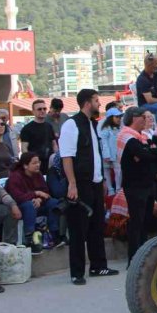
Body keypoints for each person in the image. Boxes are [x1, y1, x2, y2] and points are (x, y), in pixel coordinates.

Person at [58, 88, 119, 285]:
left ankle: (98, 266)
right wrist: (72, 184)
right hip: (79, 184)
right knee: (78, 229)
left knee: (97, 226)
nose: (99, 104)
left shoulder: (93, 124)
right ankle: (77, 272)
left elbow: (96, 155)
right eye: (96, 100)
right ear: (87, 103)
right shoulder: (71, 124)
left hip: (95, 183)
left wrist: (102, 181)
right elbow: (67, 156)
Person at [118, 107, 157, 265]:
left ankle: (143, 256)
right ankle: (134, 260)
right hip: (135, 187)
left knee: (145, 223)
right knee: (137, 223)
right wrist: (148, 152)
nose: (146, 120)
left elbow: (154, 153)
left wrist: (149, 152)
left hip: (147, 186)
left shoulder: (142, 137)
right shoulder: (127, 136)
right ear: (135, 118)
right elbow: (145, 155)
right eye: (144, 117)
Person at [20, 99, 59, 174]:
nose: (42, 111)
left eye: (44, 109)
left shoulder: (49, 126)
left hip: (50, 165)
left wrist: (57, 158)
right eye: (39, 109)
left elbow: (54, 144)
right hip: (35, 166)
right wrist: (30, 164)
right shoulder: (27, 128)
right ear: (33, 111)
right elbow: (24, 149)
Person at [136, 52, 157, 124]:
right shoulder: (142, 79)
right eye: (156, 64)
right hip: (144, 104)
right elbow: (150, 100)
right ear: (149, 65)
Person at [99, 107, 123, 196]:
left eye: (119, 117)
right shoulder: (105, 128)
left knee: (118, 171)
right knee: (106, 171)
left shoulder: (119, 128)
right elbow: (103, 142)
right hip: (108, 154)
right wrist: (106, 155)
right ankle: (110, 189)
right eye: (116, 117)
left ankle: (118, 189)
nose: (119, 119)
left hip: (117, 154)